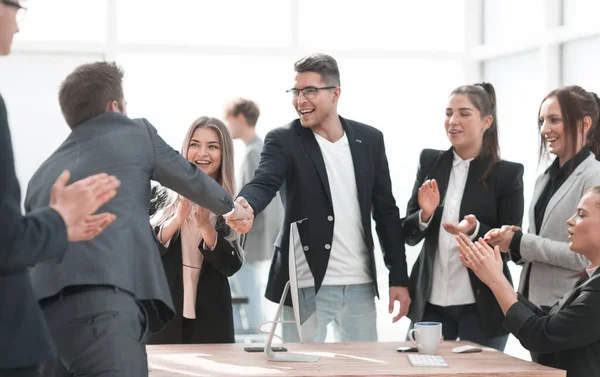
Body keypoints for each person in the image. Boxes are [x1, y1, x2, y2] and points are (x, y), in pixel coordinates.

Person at [24, 62, 251, 377]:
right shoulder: (135, 133)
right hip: (106, 310)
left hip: (43, 315)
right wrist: (234, 209)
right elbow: (189, 178)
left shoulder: (43, 175)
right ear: (114, 107)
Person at [227, 53, 410, 342]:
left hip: (360, 286)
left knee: (361, 371)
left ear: (335, 93)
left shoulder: (370, 140)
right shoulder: (283, 140)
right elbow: (264, 181)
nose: (301, 100)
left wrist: (399, 277)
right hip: (304, 286)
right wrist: (245, 205)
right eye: (296, 92)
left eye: (310, 91)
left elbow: (386, 213)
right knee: (299, 368)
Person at [1, 2, 121, 376]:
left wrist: (58, 226)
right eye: (15, 8)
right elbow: (7, 242)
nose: (18, 27)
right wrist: (58, 218)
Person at [402, 83, 524, 351]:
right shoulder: (430, 161)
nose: (453, 121)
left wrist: (474, 229)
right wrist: (425, 213)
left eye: (464, 113)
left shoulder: (507, 174)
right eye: (448, 113)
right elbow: (408, 235)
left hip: (482, 305)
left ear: (486, 121)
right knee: (420, 369)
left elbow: (510, 246)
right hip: (431, 302)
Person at [456, 186, 600, 377]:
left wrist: (496, 280)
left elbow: (542, 336)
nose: (570, 220)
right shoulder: (591, 282)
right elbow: (547, 323)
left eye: (581, 214)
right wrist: (496, 278)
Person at [485, 86, 600, 311]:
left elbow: (586, 256)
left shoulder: (594, 176)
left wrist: (521, 241)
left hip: (570, 305)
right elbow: (538, 238)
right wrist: (512, 242)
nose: (544, 129)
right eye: (541, 121)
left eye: (554, 120)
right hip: (534, 301)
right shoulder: (544, 178)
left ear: (584, 124)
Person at [147, 117, 243, 344]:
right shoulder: (159, 196)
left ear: (224, 154)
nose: (202, 153)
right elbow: (144, 254)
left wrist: (205, 227)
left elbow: (231, 266)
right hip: (164, 312)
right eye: (195, 144)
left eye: (212, 146)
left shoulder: (234, 206)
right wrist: (177, 220)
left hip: (211, 316)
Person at [223, 98, 283, 334]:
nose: (228, 127)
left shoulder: (254, 152)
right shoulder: (256, 150)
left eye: (228, 121)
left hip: (248, 238)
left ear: (239, 118)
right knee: (245, 290)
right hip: (254, 236)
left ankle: (255, 336)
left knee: (246, 292)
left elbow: (256, 202)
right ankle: (249, 334)